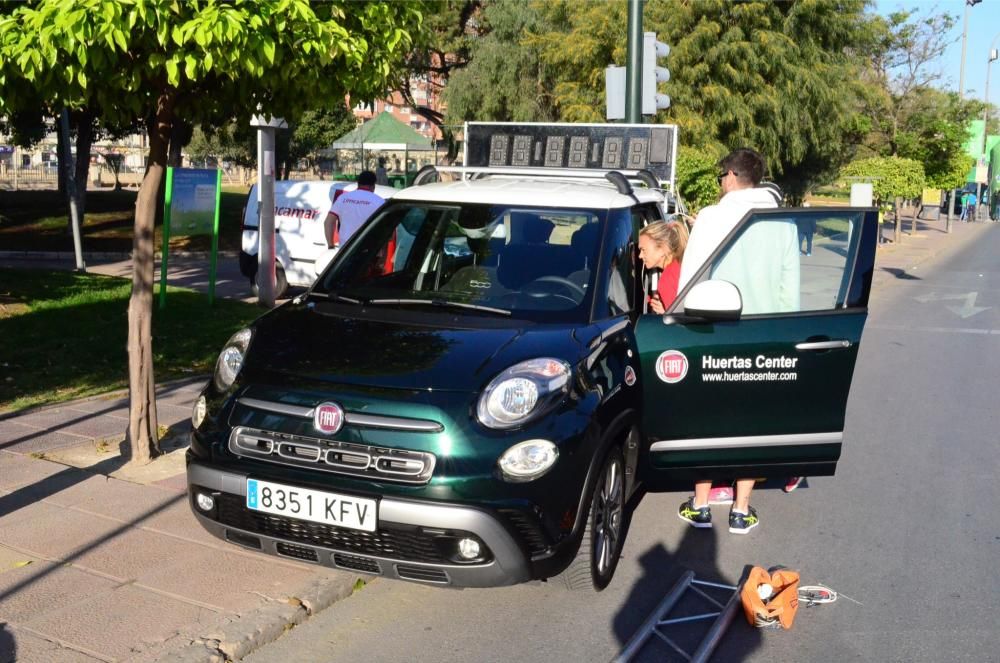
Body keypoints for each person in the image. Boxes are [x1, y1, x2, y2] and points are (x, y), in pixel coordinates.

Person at [676, 148, 787, 535]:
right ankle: (741, 510)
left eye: (721, 176)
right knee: (754, 425)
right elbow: (790, 292)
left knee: (708, 421)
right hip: (765, 338)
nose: (720, 183)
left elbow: (691, 278)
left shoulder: (711, 218)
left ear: (731, 176)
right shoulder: (782, 223)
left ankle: (701, 505)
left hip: (714, 333)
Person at [638, 220, 689, 312]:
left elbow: (676, 323)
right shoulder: (681, 265)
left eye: (643, 250)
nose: (640, 255)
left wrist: (664, 314)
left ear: (661, 249)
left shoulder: (667, 279)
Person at [325, 171, 384, 249]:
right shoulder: (379, 201)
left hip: (345, 251)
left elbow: (328, 222)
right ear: (373, 185)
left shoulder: (343, 198)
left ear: (358, 183)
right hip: (368, 251)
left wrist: (330, 245)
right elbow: (384, 230)